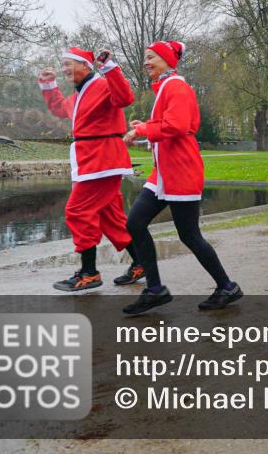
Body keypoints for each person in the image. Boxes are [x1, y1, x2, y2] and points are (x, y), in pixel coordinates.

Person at [121, 40, 242, 315]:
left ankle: (226, 286)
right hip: (164, 173)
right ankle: (154, 290)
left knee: (190, 236)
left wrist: (142, 131)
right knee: (135, 223)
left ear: (166, 60)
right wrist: (146, 126)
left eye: (151, 57)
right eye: (145, 58)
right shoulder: (167, 87)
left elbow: (177, 126)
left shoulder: (176, 86)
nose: (146, 62)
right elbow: (172, 124)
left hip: (181, 172)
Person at [38, 47, 142, 292]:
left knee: (77, 211)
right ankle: (141, 262)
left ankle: (89, 273)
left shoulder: (103, 84)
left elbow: (125, 98)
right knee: (110, 218)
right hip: (92, 160)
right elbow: (59, 109)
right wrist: (48, 84)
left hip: (102, 160)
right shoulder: (79, 94)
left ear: (85, 65)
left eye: (68, 64)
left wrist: (110, 67)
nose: (63, 69)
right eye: (61, 65)